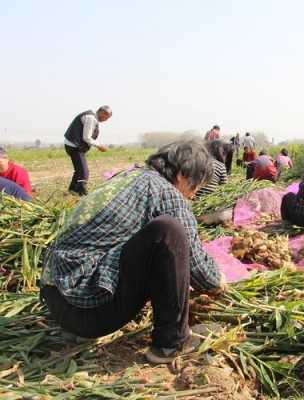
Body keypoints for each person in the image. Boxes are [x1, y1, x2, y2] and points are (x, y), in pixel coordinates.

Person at [40, 139, 224, 364]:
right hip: (88, 313)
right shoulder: (166, 193)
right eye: (195, 186)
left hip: (59, 305)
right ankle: (172, 343)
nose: (193, 195)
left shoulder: (129, 177)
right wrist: (219, 279)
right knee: (169, 231)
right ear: (182, 175)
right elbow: (200, 270)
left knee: (150, 238)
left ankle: (77, 330)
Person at [63, 106, 111, 196]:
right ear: (102, 113)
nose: (106, 120)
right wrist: (99, 146)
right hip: (74, 146)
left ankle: (72, 190)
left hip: (72, 145)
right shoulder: (91, 118)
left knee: (79, 170)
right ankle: (83, 194)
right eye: (106, 117)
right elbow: (87, 137)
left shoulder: (91, 117)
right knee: (84, 172)